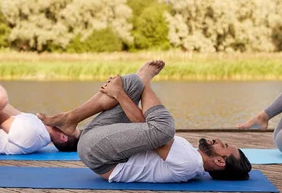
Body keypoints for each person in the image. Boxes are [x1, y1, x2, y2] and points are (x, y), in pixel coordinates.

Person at [37, 60, 251, 183]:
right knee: (131, 83)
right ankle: (70, 119)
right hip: (101, 140)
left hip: (99, 154)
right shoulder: (190, 157)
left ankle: (144, 79)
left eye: (222, 146)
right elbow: (147, 130)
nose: (216, 140)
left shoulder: (189, 163)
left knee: (164, 128)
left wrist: (121, 95)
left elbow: (151, 129)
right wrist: (124, 91)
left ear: (220, 162)